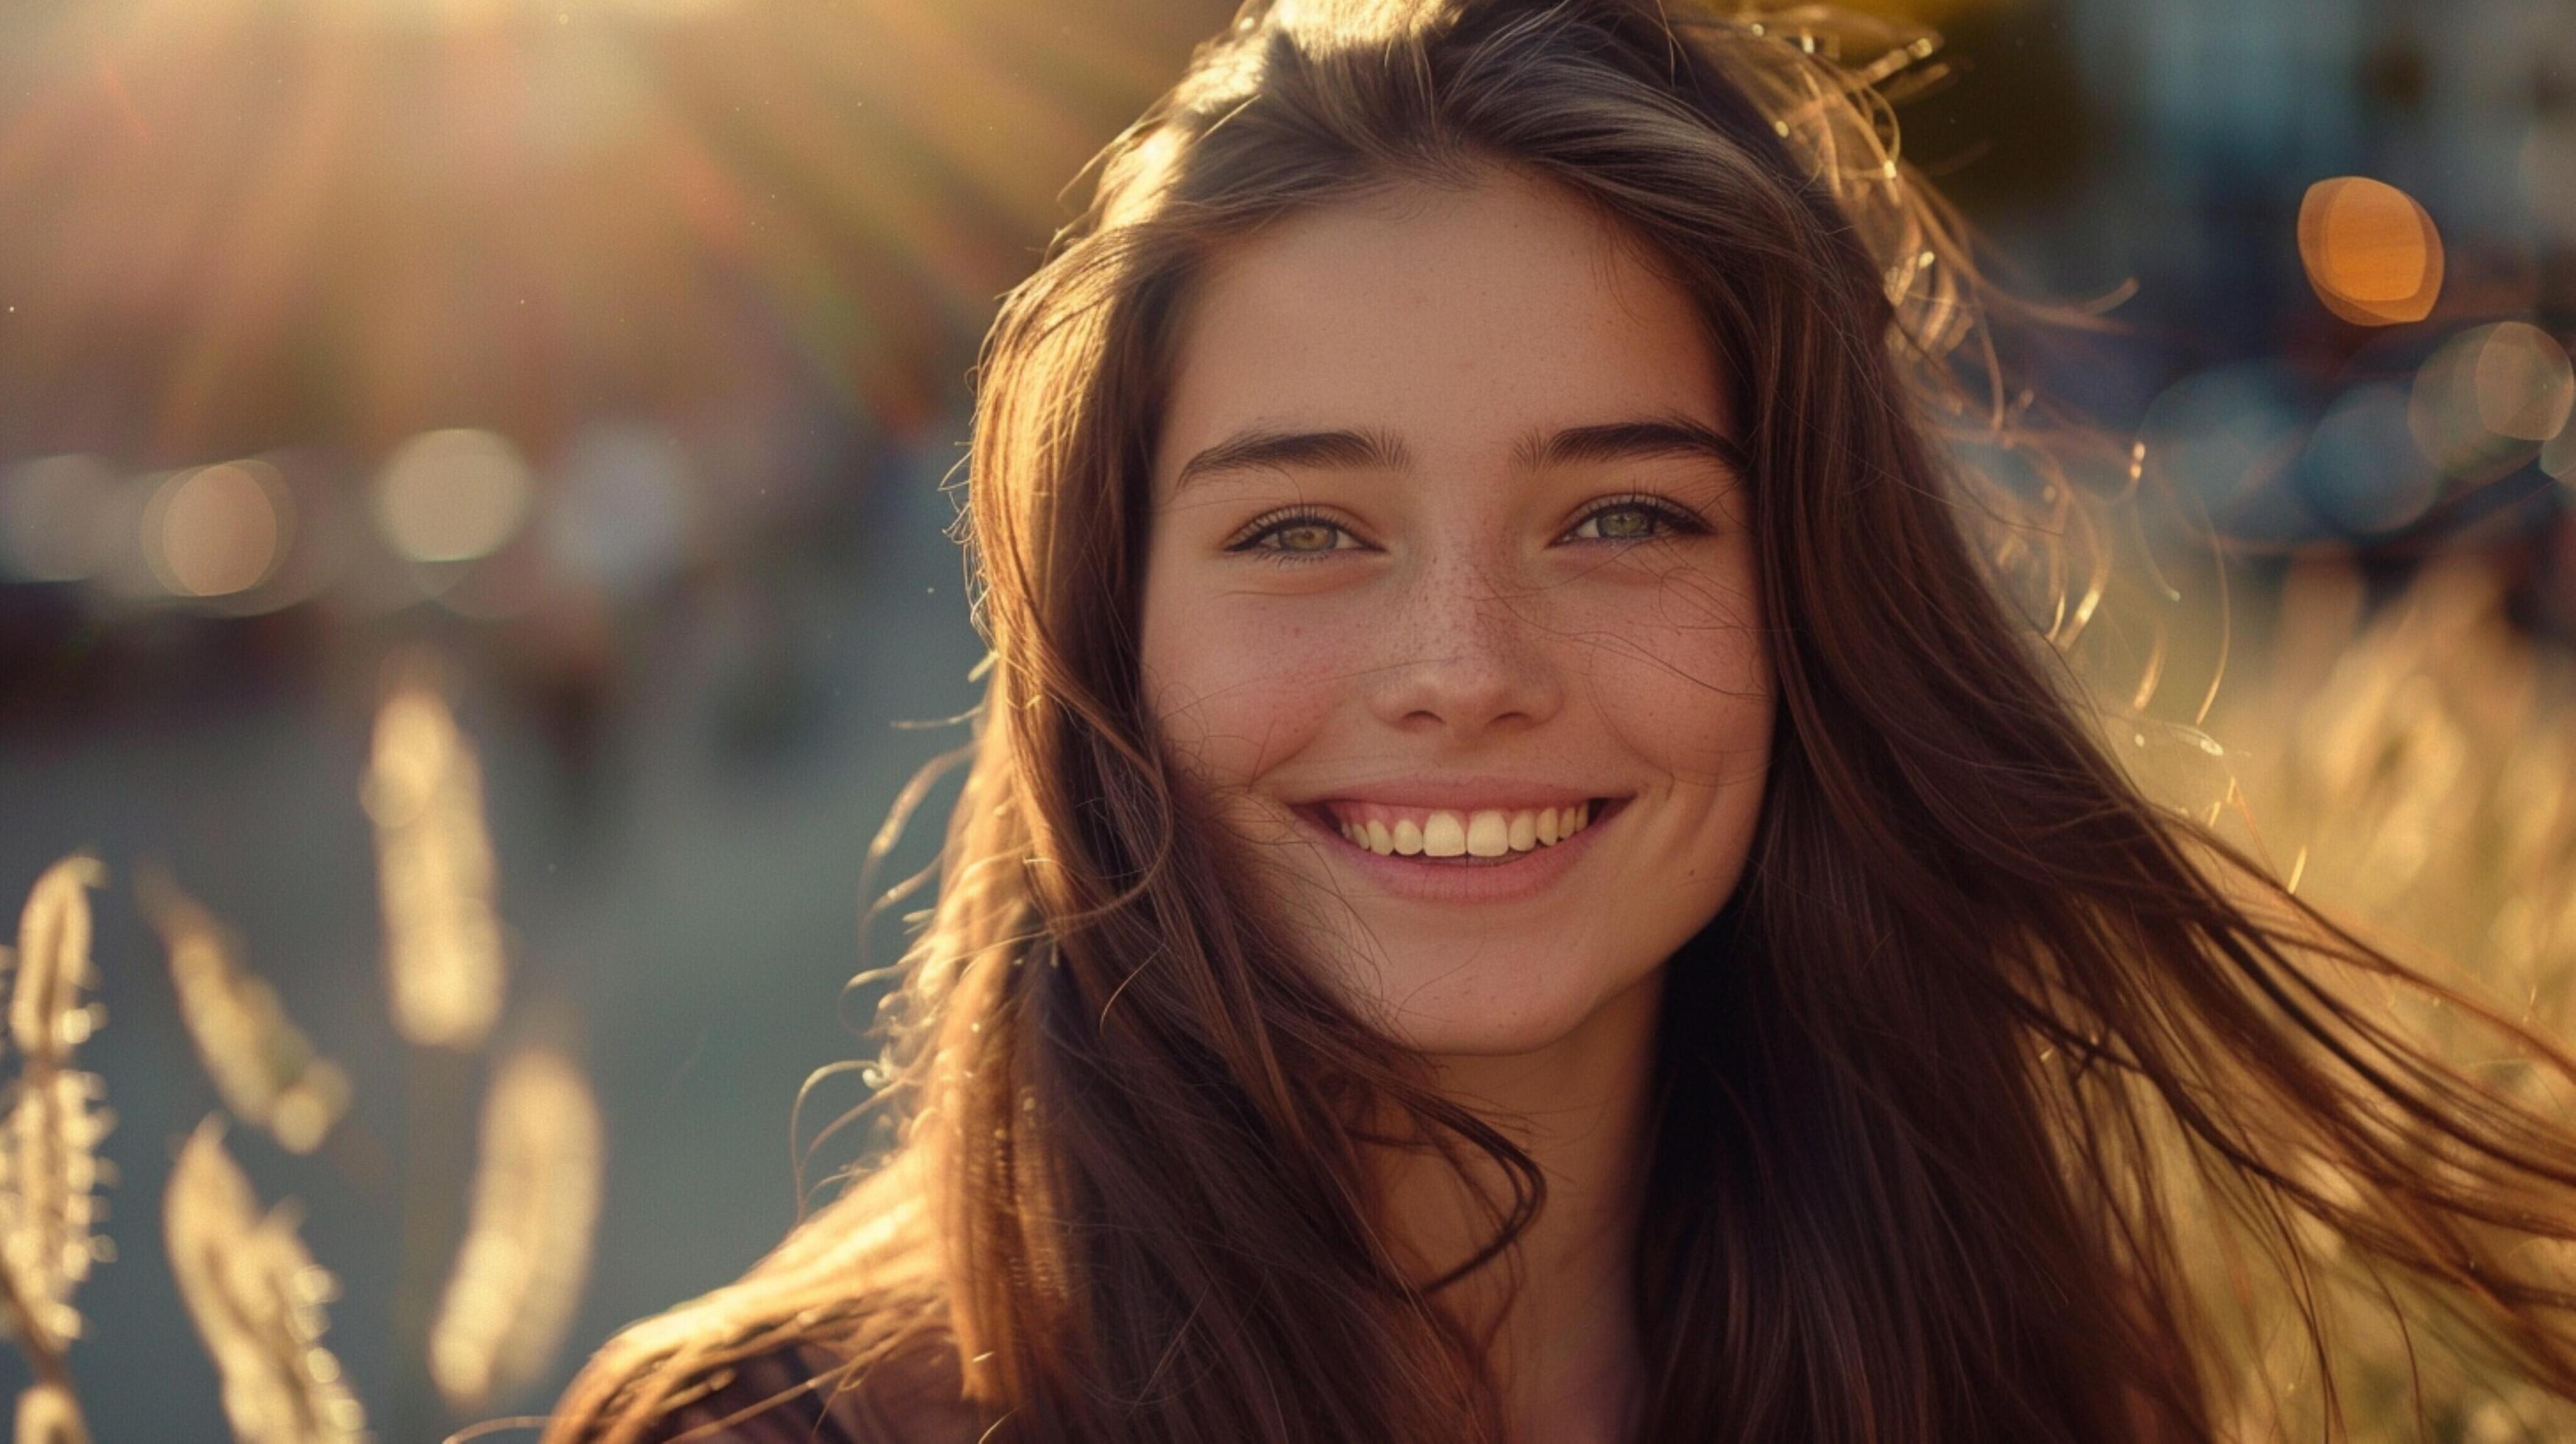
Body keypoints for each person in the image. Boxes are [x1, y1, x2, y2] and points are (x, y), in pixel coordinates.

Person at [540, 1, 2576, 1440]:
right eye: (1304, 526)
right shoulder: (781, 1434)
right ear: (1108, 634)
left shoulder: (2017, 1367)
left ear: (1809, 604)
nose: (1462, 662)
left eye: (1620, 514)